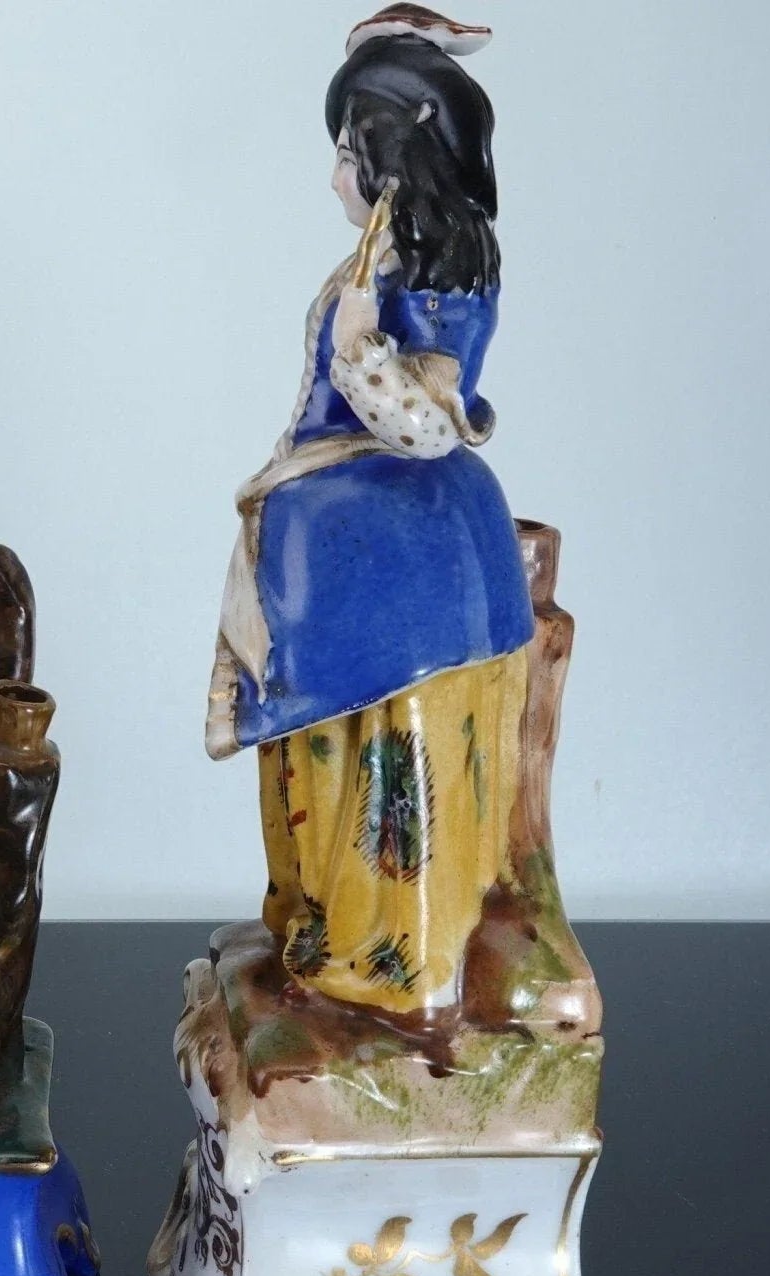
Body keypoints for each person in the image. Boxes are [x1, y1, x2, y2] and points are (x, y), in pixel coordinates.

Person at [208, 6, 535, 1015]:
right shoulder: (380, 262)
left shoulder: (445, 279)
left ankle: (387, 958)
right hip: (344, 544)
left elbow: (428, 428)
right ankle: (316, 924)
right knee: (321, 738)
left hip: (405, 560)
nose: (334, 178)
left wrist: (359, 348)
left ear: (396, 161)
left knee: (388, 753)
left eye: (350, 155)